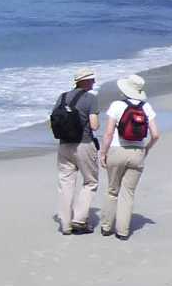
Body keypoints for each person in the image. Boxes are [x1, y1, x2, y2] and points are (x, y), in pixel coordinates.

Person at [98, 73, 159, 240]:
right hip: (137, 152)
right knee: (128, 193)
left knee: (112, 190)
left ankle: (106, 227)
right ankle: (123, 231)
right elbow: (155, 135)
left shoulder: (116, 105)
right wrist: (146, 150)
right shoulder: (146, 108)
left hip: (117, 151)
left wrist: (103, 153)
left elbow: (109, 133)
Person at [49, 67, 101, 234]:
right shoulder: (90, 98)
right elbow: (94, 125)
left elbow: (52, 121)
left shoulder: (62, 97)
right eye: (92, 79)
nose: (94, 82)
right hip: (84, 144)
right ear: (85, 81)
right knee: (90, 182)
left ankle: (65, 225)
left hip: (64, 145)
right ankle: (79, 219)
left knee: (65, 184)